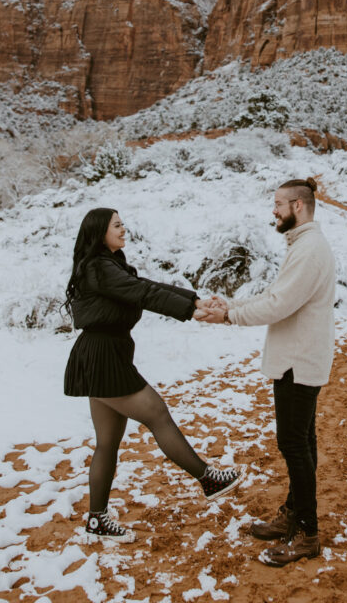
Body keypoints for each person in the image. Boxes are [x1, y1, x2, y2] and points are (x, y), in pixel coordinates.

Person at [64, 207, 244, 541]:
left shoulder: (107, 265)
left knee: (107, 442)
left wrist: (195, 300)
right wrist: (191, 310)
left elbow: (145, 285)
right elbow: (144, 294)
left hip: (102, 354)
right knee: (158, 415)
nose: (123, 228)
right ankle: (207, 478)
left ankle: (97, 519)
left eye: (123, 223)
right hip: (103, 357)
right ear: (99, 232)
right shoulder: (99, 268)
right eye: (116, 225)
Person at [196, 178, 336, 566]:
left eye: (278, 204)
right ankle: (294, 514)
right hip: (299, 357)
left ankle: (307, 534)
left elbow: (278, 305)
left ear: (299, 206)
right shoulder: (304, 245)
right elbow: (277, 296)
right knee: (301, 443)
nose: (273, 210)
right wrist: (234, 304)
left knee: (294, 445)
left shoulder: (308, 250)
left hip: (298, 360)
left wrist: (228, 316)